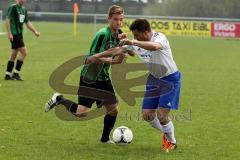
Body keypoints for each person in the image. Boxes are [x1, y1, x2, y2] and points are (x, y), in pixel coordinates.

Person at [89, 19, 181, 151]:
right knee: (147, 115)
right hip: (154, 79)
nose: (135, 37)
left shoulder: (160, 37)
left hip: (170, 79)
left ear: (146, 32)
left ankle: (171, 141)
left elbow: (155, 47)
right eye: (134, 36)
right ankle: (167, 132)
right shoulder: (136, 42)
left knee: (162, 115)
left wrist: (133, 42)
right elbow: (118, 50)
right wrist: (97, 56)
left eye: (137, 35)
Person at [45, 5, 127, 144]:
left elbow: (117, 61)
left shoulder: (119, 35)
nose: (118, 23)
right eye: (115, 19)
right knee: (81, 113)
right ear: (108, 19)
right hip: (90, 78)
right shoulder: (102, 34)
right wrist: (114, 53)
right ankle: (59, 99)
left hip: (104, 78)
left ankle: (105, 139)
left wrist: (124, 50)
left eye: (121, 20)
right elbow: (91, 58)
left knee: (113, 109)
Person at [5, 0, 40, 81]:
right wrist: (9, 33)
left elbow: (27, 22)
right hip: (14, 34)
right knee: (24, 52)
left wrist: (35, 31)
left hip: (19, 34)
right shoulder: (13, 7)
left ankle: (7, 74)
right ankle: (16, 73)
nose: (23, 0)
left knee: (14, 54)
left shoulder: (24, 9)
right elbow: (8, 20)